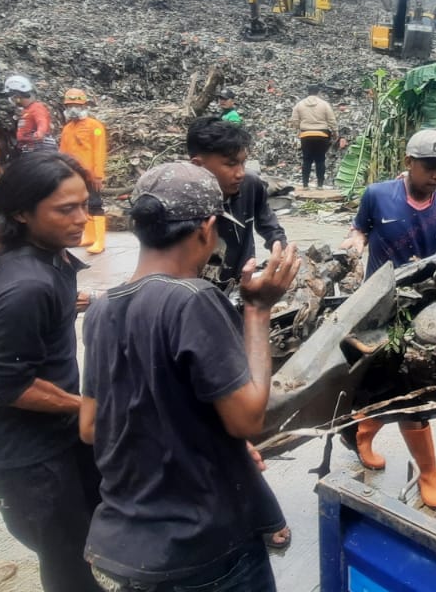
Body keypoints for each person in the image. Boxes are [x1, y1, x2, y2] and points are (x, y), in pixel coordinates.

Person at [79, 162, 299, 592]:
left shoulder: (101, 310)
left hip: (125, 544)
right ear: (206, 228)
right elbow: (247, 418)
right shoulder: (192, 299)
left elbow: (91, 427)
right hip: (200, 547)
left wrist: (211, 442)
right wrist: (257, 311)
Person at [0, 152, 100, 592]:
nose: (82, 218)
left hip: (57, 438)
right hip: (25, 457)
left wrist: (72, 304)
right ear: (22, 213)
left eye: (84, 204)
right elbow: (4, 384)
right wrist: (89, 408)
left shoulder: (50, 261)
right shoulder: (26, 286)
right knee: (68, 565)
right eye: (66, 209)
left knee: (91, 536)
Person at [339, 128, 436, 509]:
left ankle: (427, 471)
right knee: (373, 381)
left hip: (418, 310)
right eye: (429, 166)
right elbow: (360, 227)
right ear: (409, 162)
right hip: (372, 305)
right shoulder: (378, 195)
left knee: (410, 391)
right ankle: (362, 431)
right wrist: (356, 242)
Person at [186, 118, 286, 288]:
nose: (240, 173)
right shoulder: (183, 203)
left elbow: (269, 225)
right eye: (231, 164)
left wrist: (279, 246)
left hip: (242, 280)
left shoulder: (250, 184)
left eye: (243, 162)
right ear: (198, 165)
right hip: (197, 288)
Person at [58, 89, 108, 254]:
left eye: (77, 105)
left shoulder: (95, 126)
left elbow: (99, 151)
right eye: (70, 105)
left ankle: (100, 240)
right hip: (73, 174)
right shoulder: (67, 129)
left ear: (84, 106)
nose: (73, 109)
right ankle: (89, 236)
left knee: (95, 204)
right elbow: (63, 153)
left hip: (90, 175)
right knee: (82, 205)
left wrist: (98, 175)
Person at [291, 86, 337, 189]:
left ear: (308, 92)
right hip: (322, 135)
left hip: (306, 135)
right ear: (318, 92)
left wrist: (300, 127)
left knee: (307, 160)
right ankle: (320, 185)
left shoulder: (300, 104)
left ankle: (305, 185)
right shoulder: (324, 104)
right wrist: (335, 132)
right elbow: (331, 120)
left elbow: (294, 120)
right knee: (320, 160)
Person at [5, 74, 57, 154]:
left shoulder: (36, 107)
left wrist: (40, 132)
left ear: (18, 95)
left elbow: (42, 121)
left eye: (12, 96)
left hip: (40, 148)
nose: (12, 99)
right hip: (29, 147)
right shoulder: (26, 111)